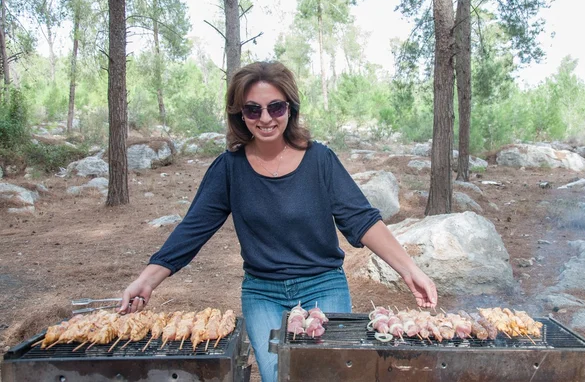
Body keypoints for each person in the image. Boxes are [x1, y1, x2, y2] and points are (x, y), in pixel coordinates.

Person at [119, 61, 438, 382]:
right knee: (277, 377)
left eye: (276, 107)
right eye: (253, 110)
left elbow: (362, 221)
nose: (266, 118)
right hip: (263, 293)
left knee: (328, 376)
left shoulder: (320, 160)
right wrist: (146, 280)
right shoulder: (229, 169)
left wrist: (411, 271)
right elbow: (192, 229)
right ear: (240, 115)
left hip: (323, 285)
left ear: (290, 108)